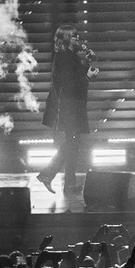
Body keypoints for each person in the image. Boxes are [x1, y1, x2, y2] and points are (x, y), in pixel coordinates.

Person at [38, 24, 95, 194]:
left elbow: (75, 76)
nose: (78, 38)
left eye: (77, 35)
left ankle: (68, 183)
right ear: (66, 39)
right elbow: (70, 84)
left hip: (71, 107)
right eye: (74, 36)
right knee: (71, 143)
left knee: (72, 144)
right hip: (68, 109)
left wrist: (87, 63)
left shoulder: (68, 56)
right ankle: (48, 174)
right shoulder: (65, 58)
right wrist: (87, 77)